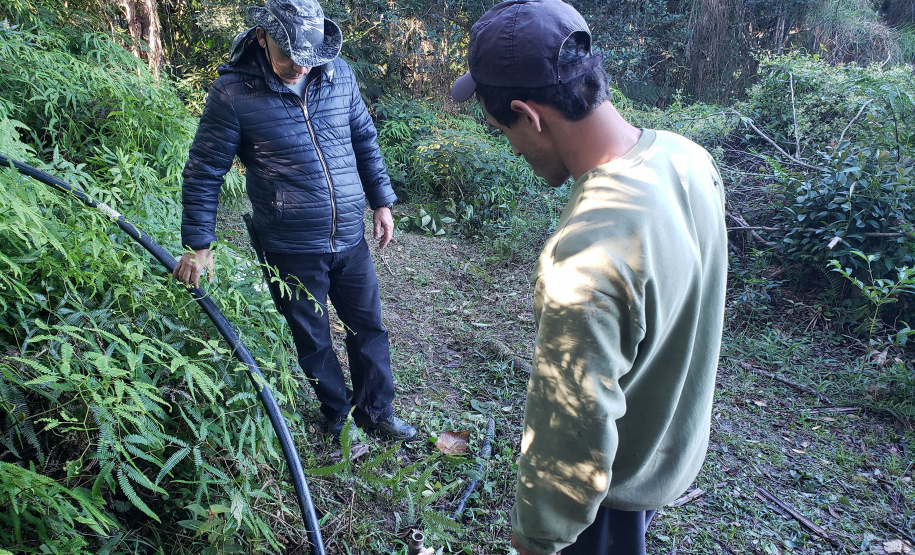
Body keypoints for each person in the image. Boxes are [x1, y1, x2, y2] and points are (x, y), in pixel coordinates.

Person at [451, 1, 728, 553]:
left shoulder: (587, 256)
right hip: (663, 462)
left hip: (603, 504)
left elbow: (571, 431)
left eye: (503, 128)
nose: (512, 147)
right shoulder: (688, 159)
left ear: (529, 115)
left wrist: (537, 537)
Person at [173, 0, 416, 442]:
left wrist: (381, 201)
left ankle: (376, 412)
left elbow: (363, 138)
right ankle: (338, 414)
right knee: (313, 337)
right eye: (289, 56)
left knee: (369, 328)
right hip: (288, 244)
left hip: (349, 235)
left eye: (308, 56)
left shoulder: (338, 74)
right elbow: (205, 170)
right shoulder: (232, 93)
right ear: (264, 38)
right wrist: (198, 243)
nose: (298, 66)